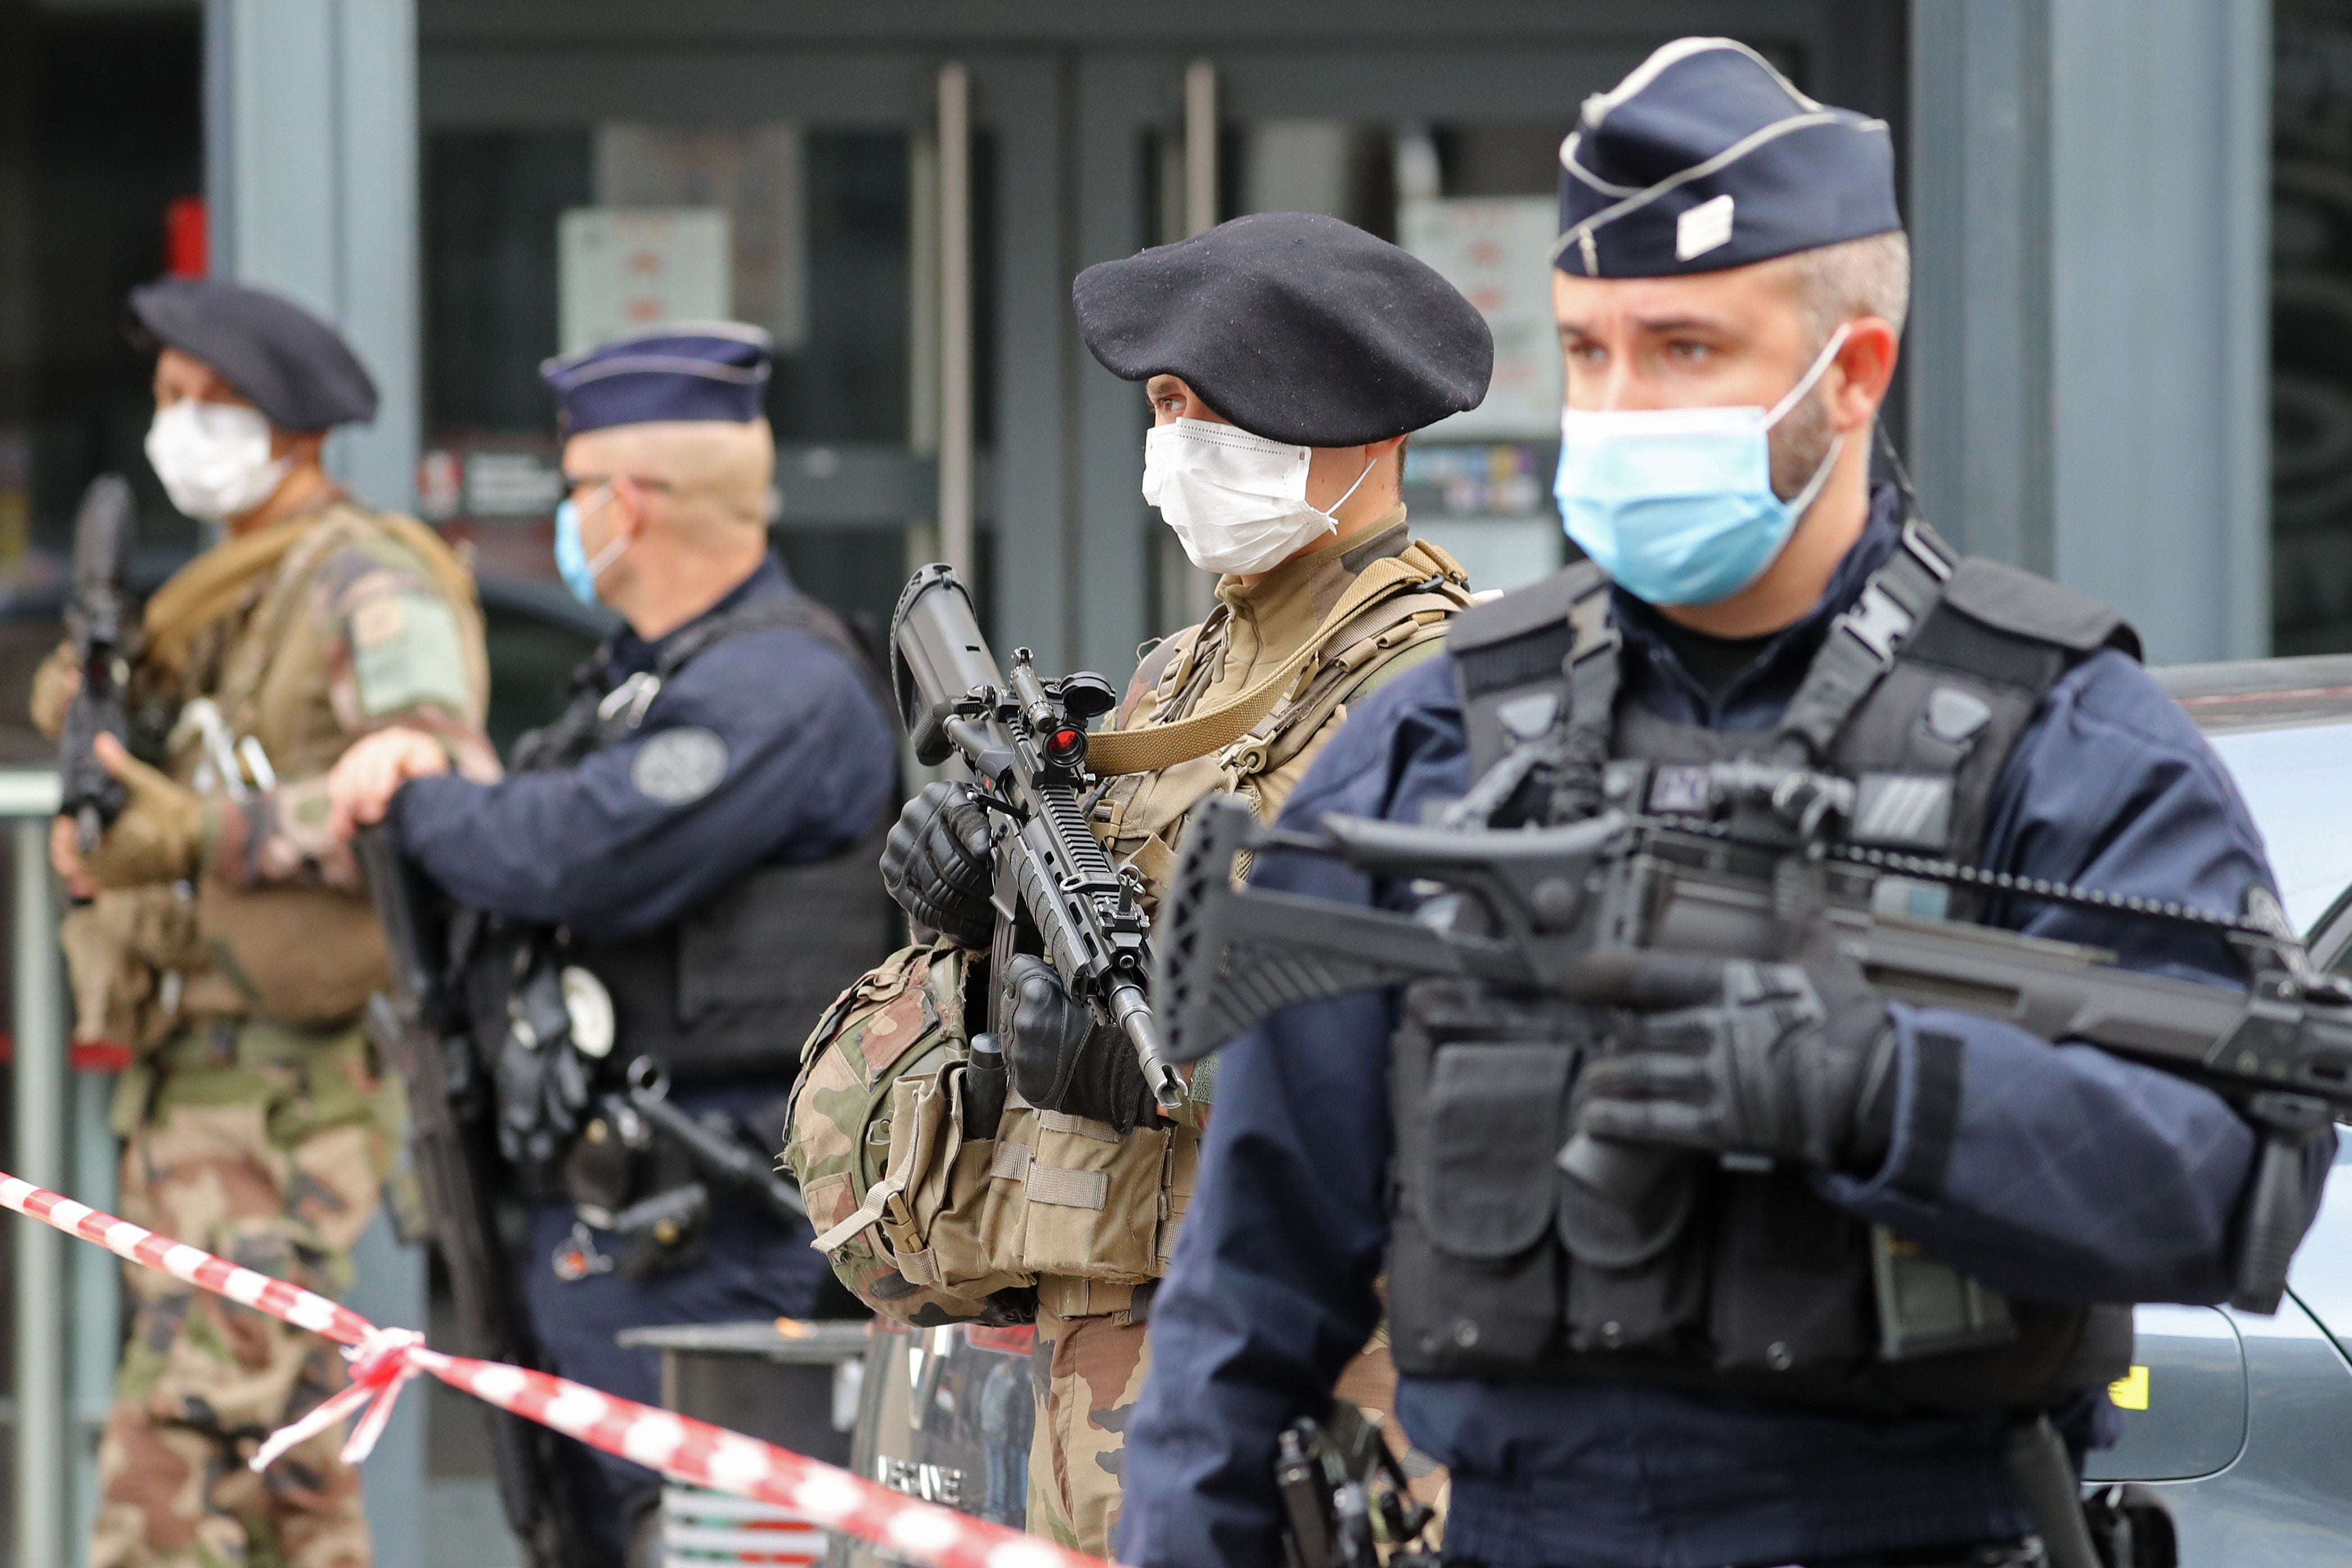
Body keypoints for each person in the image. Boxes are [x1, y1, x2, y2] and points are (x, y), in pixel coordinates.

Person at [1117, 38, 2336, 1568]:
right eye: (1591, 350)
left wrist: (1876, 1087)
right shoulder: (1441, 738)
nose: (1621, 404)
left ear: (1854, 373)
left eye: (1686, 349)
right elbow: (1248, 1286)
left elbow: (2225, 1182)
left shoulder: (2057, 734)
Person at [854, 212, 1491, 1556]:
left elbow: (1466, 1027)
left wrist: (1177, 1065)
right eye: (1163, 406)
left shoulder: (1437, 692)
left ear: (1357, 425)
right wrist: (974, 913)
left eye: (1215, 408)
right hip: (1108, 1369)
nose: (1177, 447)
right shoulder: (1177, 675)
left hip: (1316, 1371)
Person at [324, 323, 898, 1566]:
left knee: (695, 1541)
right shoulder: (643, 680)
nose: (568, 517)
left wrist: (419, 797)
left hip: (715, 1237)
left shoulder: (782, 688)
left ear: (628, 505)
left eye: (576, 489)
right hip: (616, 1225)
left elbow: (576, 850)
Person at [30, 277, 495, 1568]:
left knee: (169, 1463)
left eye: (206, 404)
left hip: (289, 1093)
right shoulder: (235, 588)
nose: (173, 427)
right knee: (288, 1463)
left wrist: (198, 834)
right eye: (166, 400)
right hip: (215, 1085)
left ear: (289, 427)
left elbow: (434, 783)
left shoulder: (362, 583)